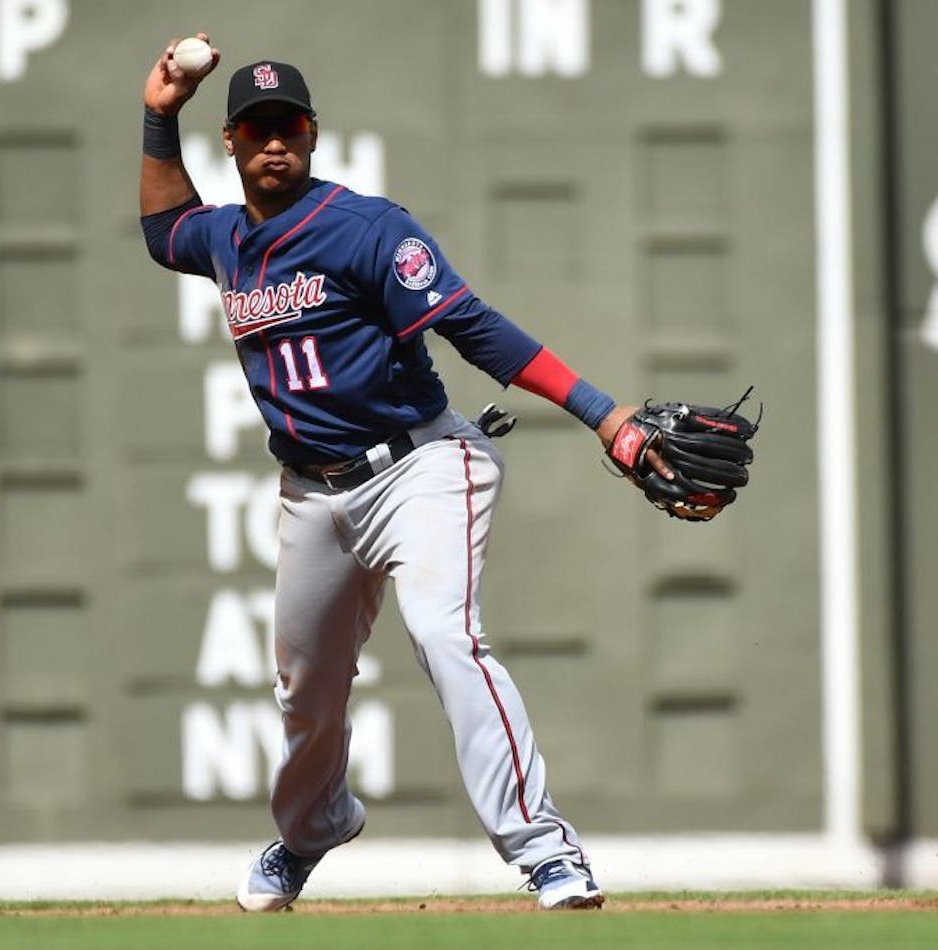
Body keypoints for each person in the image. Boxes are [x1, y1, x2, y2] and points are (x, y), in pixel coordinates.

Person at [139, 37, 681, 911]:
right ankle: (311, 829)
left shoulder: (367, 228)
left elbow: (475, 327)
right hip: (313, 494)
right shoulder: (227, 241)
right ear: (232, 143)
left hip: (421, 466)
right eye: (257, 128)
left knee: (444, 634)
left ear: (312, 137)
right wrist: (161, 114)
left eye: (291, 126)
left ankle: (545, 848)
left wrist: (602, 412)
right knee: (305, 686)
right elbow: (164, 230)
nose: (275, 142)